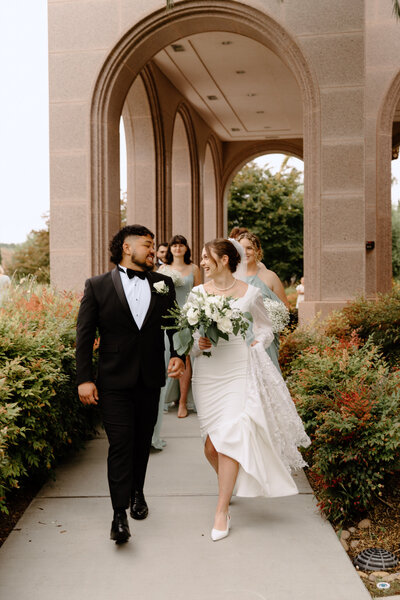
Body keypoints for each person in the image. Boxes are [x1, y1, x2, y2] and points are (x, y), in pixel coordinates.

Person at [190, 239, 310, 541]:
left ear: (227, 260)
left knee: (230, 436)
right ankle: (228, 485)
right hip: (207, 372)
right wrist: (197, 342)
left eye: (208, 257)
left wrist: (259, 342)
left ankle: (221, 510)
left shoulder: (251, 293)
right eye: (202, 258)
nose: (203, 262)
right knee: (210, 446)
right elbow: (189, 333)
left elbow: (265, 326)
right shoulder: (197, 293)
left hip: (237, 369)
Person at [76, 224, 184, 544]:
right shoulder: (97, 286)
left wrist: (179, 354)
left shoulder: (164, 284)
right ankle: (119, 514)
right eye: (148, 245)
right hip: (113, 379)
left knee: (141, 441)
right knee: (121, 442)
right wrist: (84, 379)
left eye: (153, 246)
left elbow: (172, 323)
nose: (153, 251)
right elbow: (84, 337)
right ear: (127, 247)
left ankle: (138, 491)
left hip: (150, 376)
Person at [152, 235, 201, 452]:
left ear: (186, 248)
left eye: (181, 244)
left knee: (186, 359)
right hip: (168, 318)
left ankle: (182, 402)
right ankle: (166, 398)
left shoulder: (194, 268)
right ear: (170, 249)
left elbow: (200, 292)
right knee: (168, 359)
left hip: (188, 316)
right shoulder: (163, 269)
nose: (178, 247)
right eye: (174, 245)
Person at [238, 231, 288, 373]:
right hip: (240, 337)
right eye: (241, 248)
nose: (245, 252)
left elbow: (285, 308)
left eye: (249, 248)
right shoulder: (233, 277)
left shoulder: (270, 277)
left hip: (266, 338)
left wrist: (271, 317)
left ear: (257, 251)